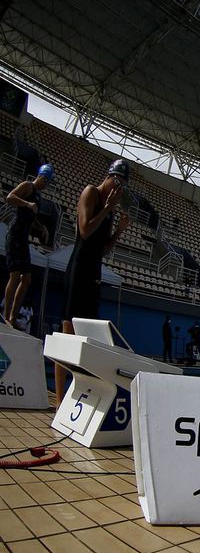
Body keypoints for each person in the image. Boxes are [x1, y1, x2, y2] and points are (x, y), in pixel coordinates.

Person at [54, 159, 131, 407]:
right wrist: (107, 209)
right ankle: (58, 399)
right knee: (68, 336)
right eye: (116, 183)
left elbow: (102, 249)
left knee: (85, 339)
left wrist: (118, 231)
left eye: (122, 187)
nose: (117, 190)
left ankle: (78, 395)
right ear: (109, 177)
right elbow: (85, 231)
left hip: (93, 273)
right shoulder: (91, 192)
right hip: (78, 269)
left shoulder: (109, 208)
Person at [3, 163, 53, 327]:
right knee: (15, 275)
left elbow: (32, 220)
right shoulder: (27, 186)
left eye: (48, 182)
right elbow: (10, 197)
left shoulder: (38, 196)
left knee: (27, 279)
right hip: (15, 233)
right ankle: (6, 316)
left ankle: (13, 316)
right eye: (45, 180)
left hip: (24, 237)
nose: (45, 184)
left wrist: (42, 227)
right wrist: (26, 203)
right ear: (40, 176)